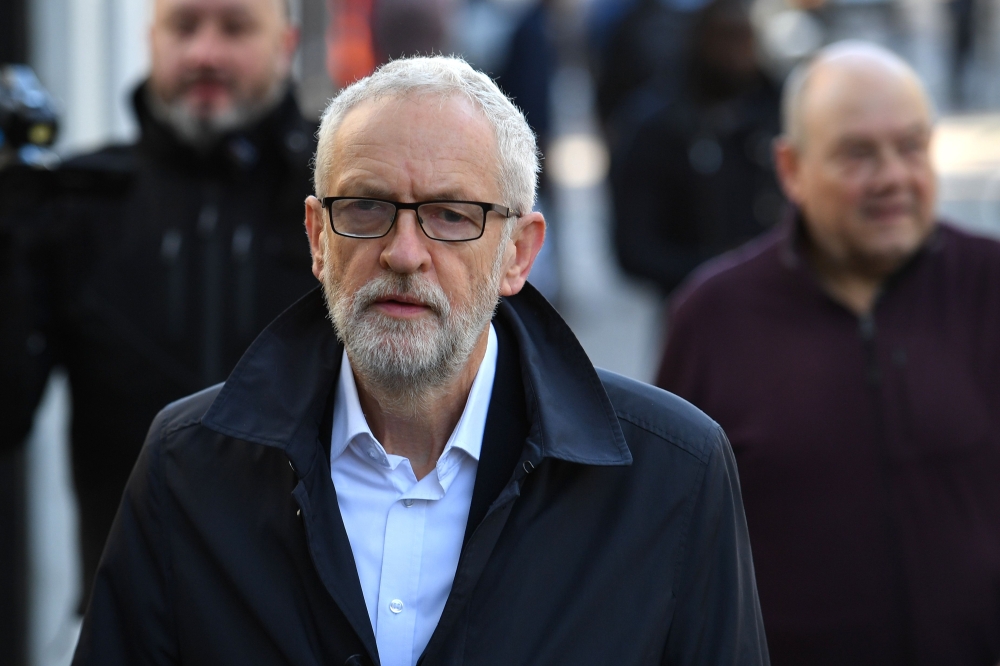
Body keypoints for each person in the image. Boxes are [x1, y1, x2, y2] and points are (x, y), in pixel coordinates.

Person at [73, 55, 769, 666]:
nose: (404, 253)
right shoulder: (190, 465)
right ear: (318, 238)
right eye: (368, 208)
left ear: (519, 253)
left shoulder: (672, 475)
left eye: (451, 215)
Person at [658, 41, 1000, 665]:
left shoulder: (991, 285)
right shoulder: (713, 318)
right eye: (858, 154)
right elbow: (671, 544)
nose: (894, 176)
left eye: (911, 146)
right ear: (790, 169)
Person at [41, 0, 317, 610]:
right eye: (184, 27)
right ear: (151, 38)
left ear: (287, 42)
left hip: (306, 620)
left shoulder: (341, 205)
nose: (205, 54)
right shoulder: (81, 204)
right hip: (132, 611)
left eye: (235, 27)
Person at [611, 0, 785, 296]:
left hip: (782, 303)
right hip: (696, 306)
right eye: (724, 37)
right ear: (698, 40)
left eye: (743, 38)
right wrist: (720, 266)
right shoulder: (658, 128)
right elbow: (635, 249)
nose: (734, 54)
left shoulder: (781, 115)